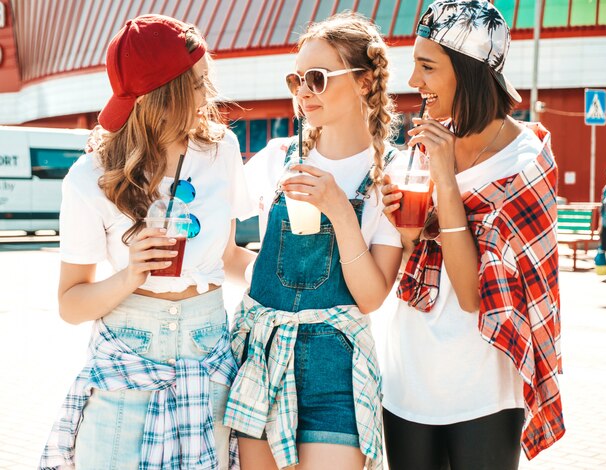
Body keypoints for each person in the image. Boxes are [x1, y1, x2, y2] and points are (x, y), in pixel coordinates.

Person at [39, 14, 254, 469]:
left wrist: (282, 278)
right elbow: (71, 303)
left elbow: (229, 256)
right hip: (127, 359)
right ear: (164, 95)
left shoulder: (222, 151)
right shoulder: (90, 177)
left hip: (207, 354)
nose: (208, 94)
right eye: (196, 83)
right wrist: (131, 273)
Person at [380, 1, 565, 468]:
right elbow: (410, 256)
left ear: (468, 70)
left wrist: (445, 179)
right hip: (410, 375)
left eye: (427, 67)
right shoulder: (426, 143)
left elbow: (469, 293)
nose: (414, 82)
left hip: (485, 388)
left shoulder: (525, 163)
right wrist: (404, 222)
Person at [223, 12, 403, 470]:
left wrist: (341, 210)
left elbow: (371, 296)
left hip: (336, 372)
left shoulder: (390, 176)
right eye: (296, 78)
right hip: (261, 363)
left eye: (318, 78)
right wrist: (254, 269)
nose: (303, 91)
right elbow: (222, 253)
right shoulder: (276, 159)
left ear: (364, 82)